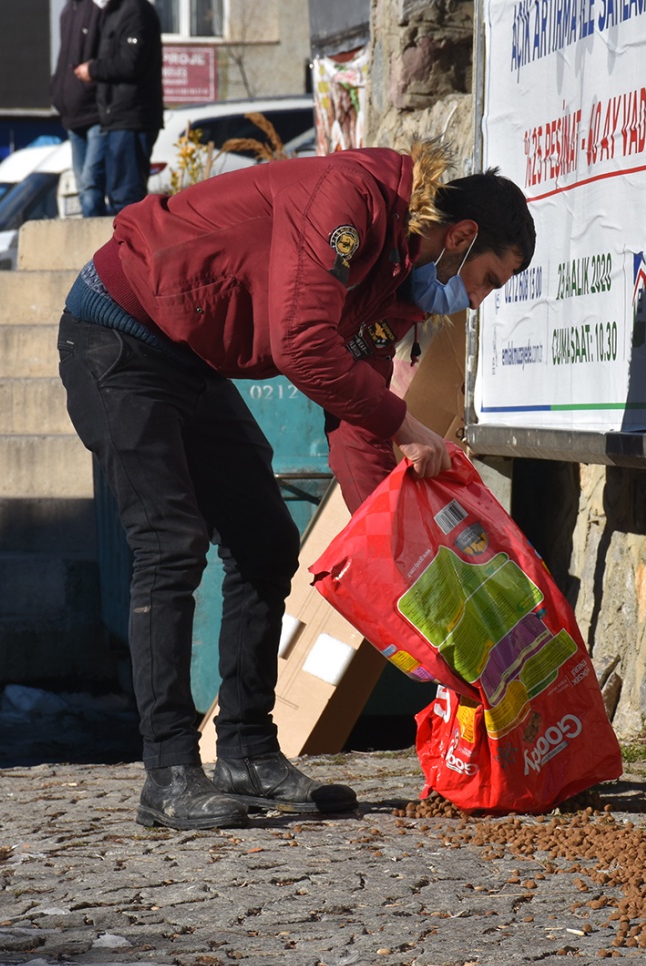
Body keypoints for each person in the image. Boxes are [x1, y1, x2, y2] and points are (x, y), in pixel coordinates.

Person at [57, 142, 535, 830]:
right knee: (170, 538)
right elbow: (301, 342)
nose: (479, 299)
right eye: (487, 277)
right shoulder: (352, 200)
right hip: (117, 333)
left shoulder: (395, 287)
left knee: (264, 538)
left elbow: (356, 427)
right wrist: (405, 422)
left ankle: (247, 750)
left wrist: (405, 568)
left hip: (186, 357)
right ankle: (167, 772)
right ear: (460, 237)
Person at [75, 0, 163, 219]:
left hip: (132, 118)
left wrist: (93, 69)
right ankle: (118, 250)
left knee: (126, 198)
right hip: (114, 118)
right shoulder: (113, 12)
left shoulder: (136, 11)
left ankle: (129, 252)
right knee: (115, 196)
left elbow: (131, 62)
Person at [50, 0, 108, 218]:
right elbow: (64, 56)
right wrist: (58, 89)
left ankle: (99, 245)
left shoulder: (97, 8)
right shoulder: (68, 10)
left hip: (94, 112)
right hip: (73, 113)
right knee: (83, 184)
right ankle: (95, 242)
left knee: (91, 184)